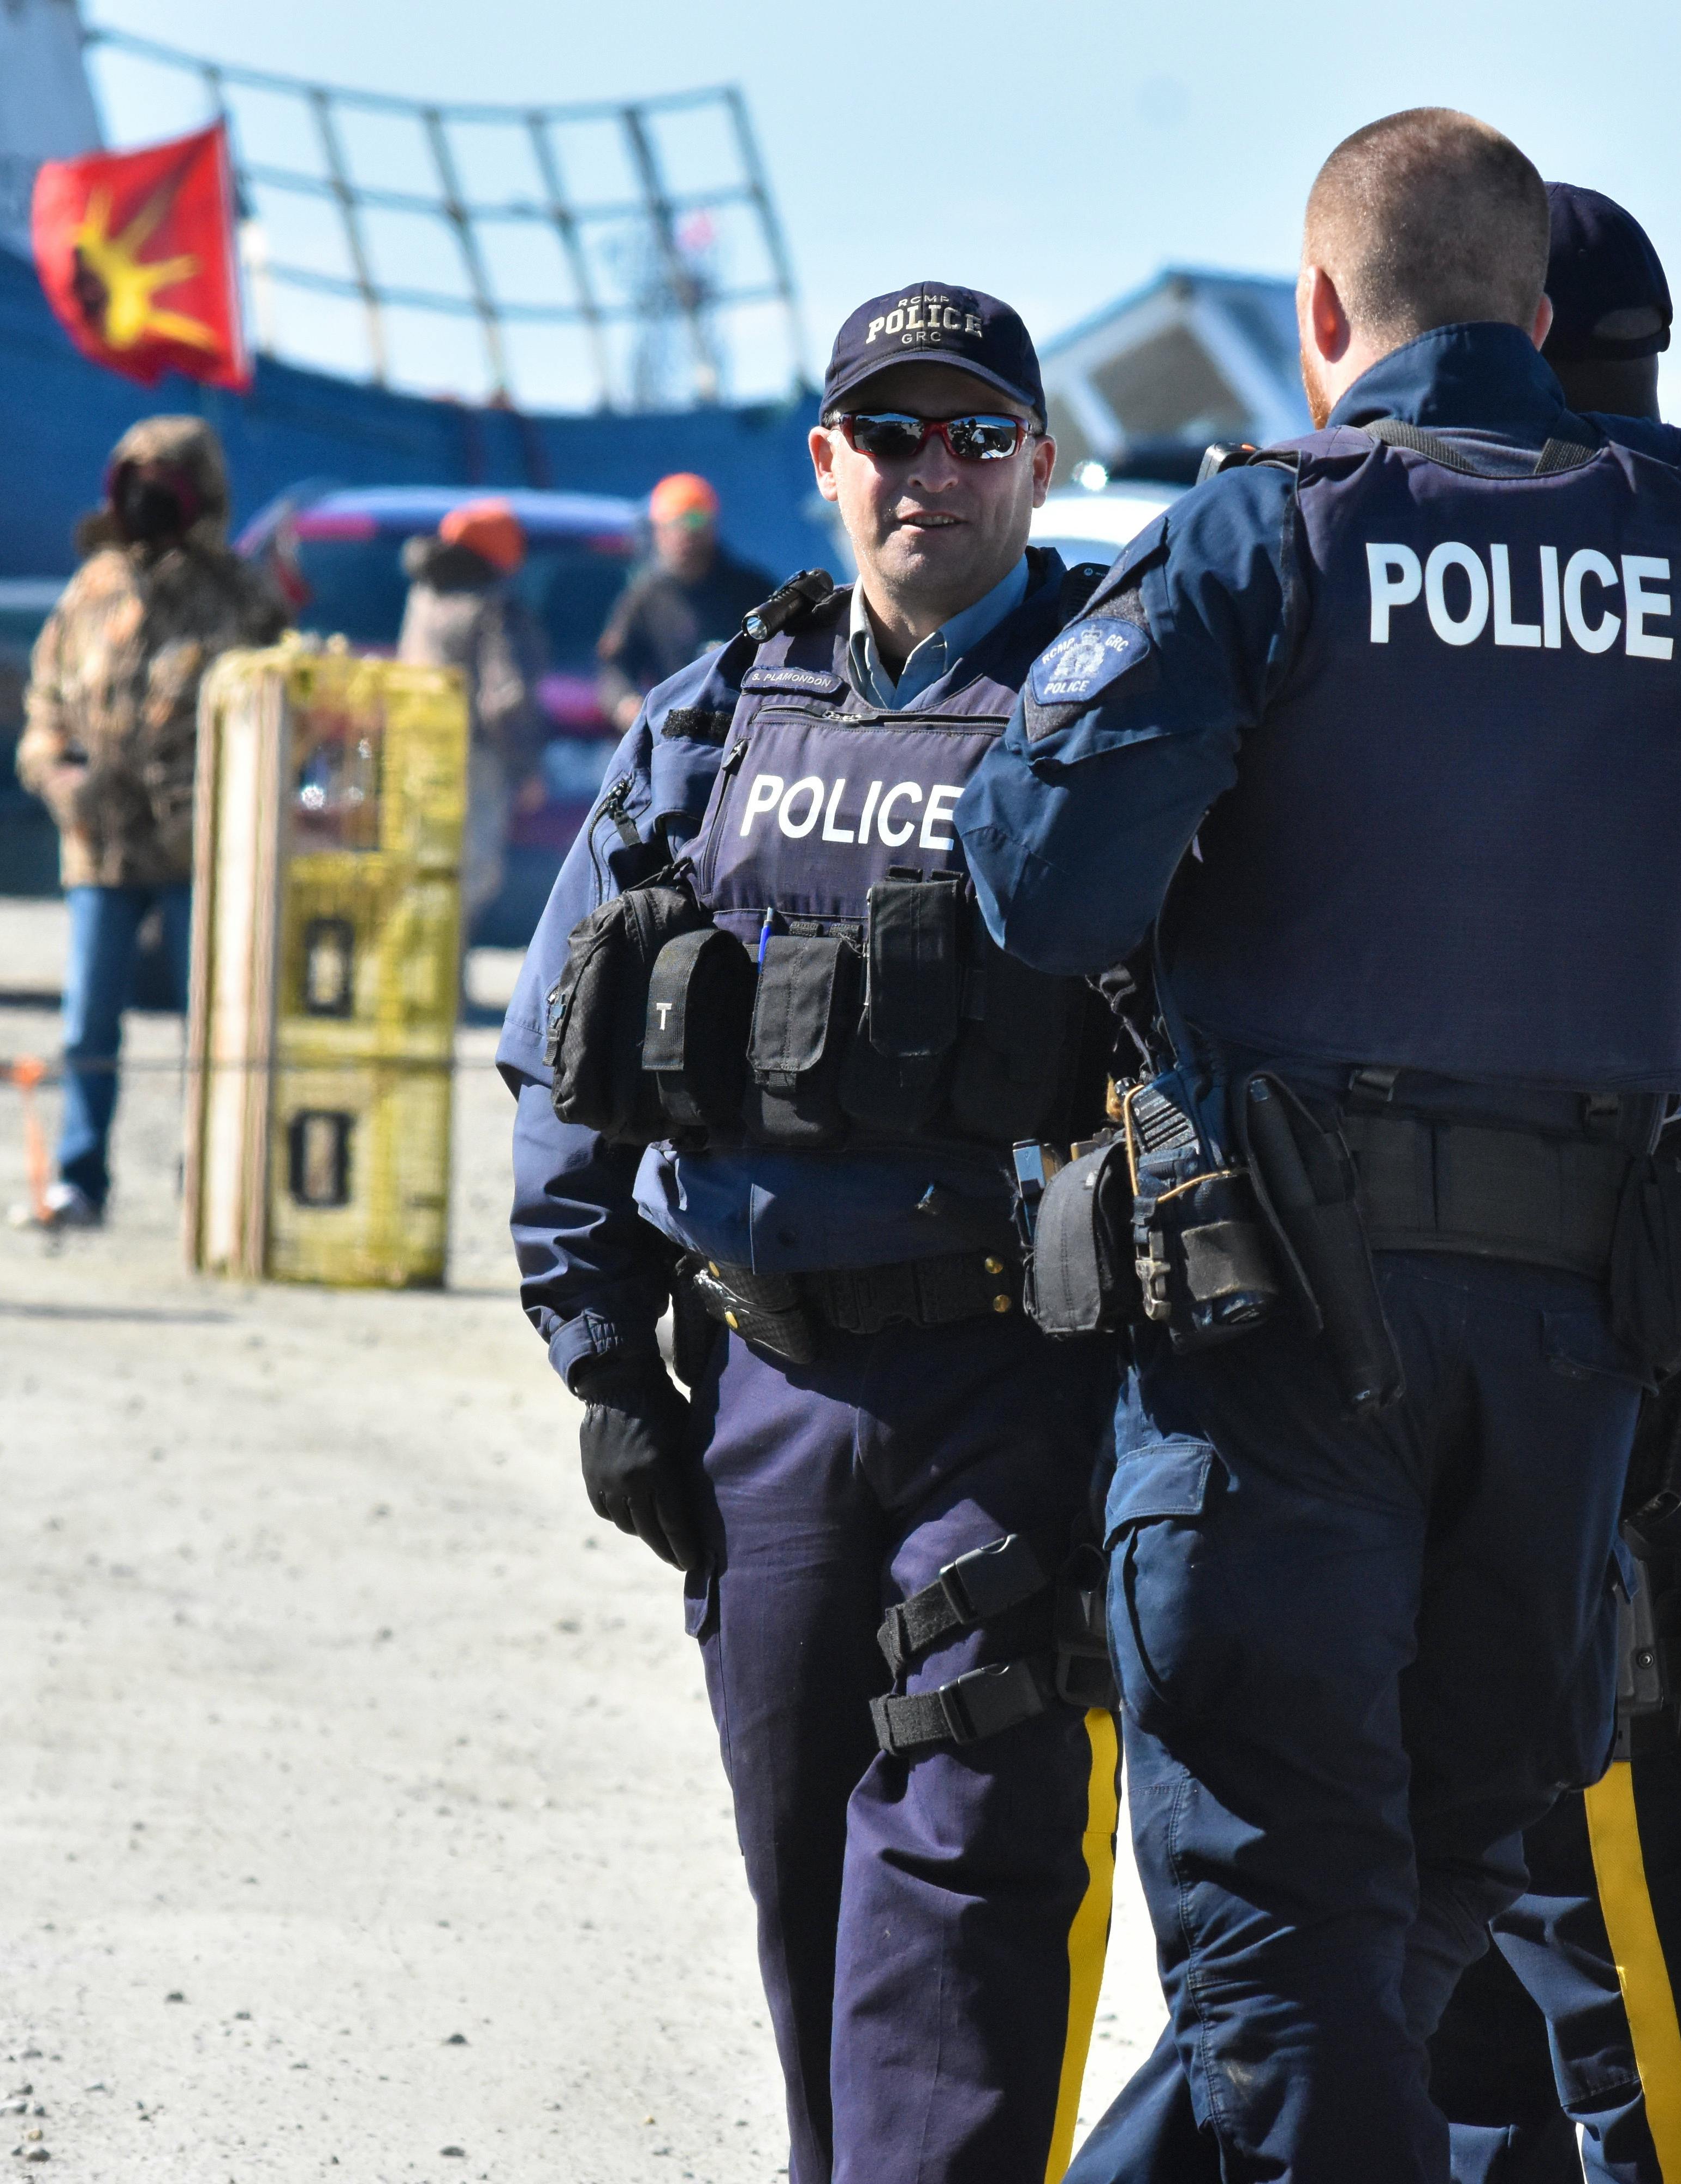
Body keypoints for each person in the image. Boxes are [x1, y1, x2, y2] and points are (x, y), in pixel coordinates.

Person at [956, 111, 1681, 2182]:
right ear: (1539, 318)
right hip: (1574, 1395)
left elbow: (1036, 887)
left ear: (1317, 316)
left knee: (1290, 1956)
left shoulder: (1256, 538)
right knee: (1398, 1923)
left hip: (1274, 1362)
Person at [500, 284, 1124, 2182]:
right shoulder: (719, 714)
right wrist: (602, 1357)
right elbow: (565, 1042)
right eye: (889, 434)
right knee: (804, 1905)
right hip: (760, 1395)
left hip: (1014, 1392)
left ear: (1039, 459)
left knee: (954, 1904)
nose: (929, 472)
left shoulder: (1118, 705)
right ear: (826, 464)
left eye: (973, 434)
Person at [1429, 182, 1681, 2184]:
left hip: (1500, 1348)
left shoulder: (1416, 561)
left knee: (1544, 1884)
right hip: (1585, 1341)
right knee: (1570, 1895)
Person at [15, 415, 289, 1231]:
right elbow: (45, 706)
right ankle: (80, 1177)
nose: (145, 498)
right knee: (88, 1022)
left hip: (203, 850)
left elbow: (281, 704)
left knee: (215, 1025)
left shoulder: (241, 599)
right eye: (133, 479)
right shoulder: (91, 590)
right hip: (99, 847)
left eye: (163, 482)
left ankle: (208, 1185)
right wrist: (59, 775)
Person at [398, 497, 549, 945]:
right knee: (470, 874)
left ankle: (423, 978)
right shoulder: (492, 606)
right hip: (474, 757)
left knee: (423, 866)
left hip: (415, 750)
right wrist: (526, 767)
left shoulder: (424, 593)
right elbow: (505, 700)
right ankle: (443, 980)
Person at [596, 471, 779, 728]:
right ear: (657, 531)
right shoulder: (645, 598)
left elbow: (788, 652)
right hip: (675, 733)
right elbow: (615, 666)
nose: (684, 535)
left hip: (747, 725)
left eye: (695, 522)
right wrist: (626, 704)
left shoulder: (750, 590)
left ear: (712, 526)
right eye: (673, 524)